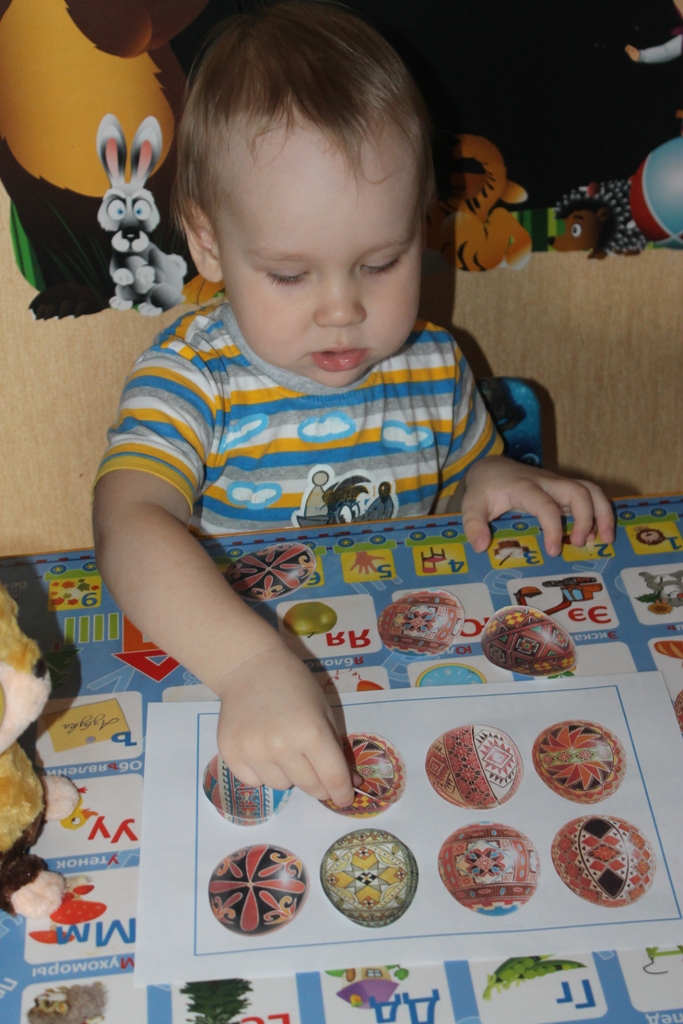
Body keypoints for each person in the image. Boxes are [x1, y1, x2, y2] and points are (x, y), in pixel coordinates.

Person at [93, 0, 614, 809]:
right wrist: (245, 665)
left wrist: (493, 477)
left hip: (410, 680)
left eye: (380, 262)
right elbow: (127, 521)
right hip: (235, 685)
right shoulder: (194, 375)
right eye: (290, 274)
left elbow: (468, 473)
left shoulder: (432, 361)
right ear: (207, 242)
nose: (342, 310)